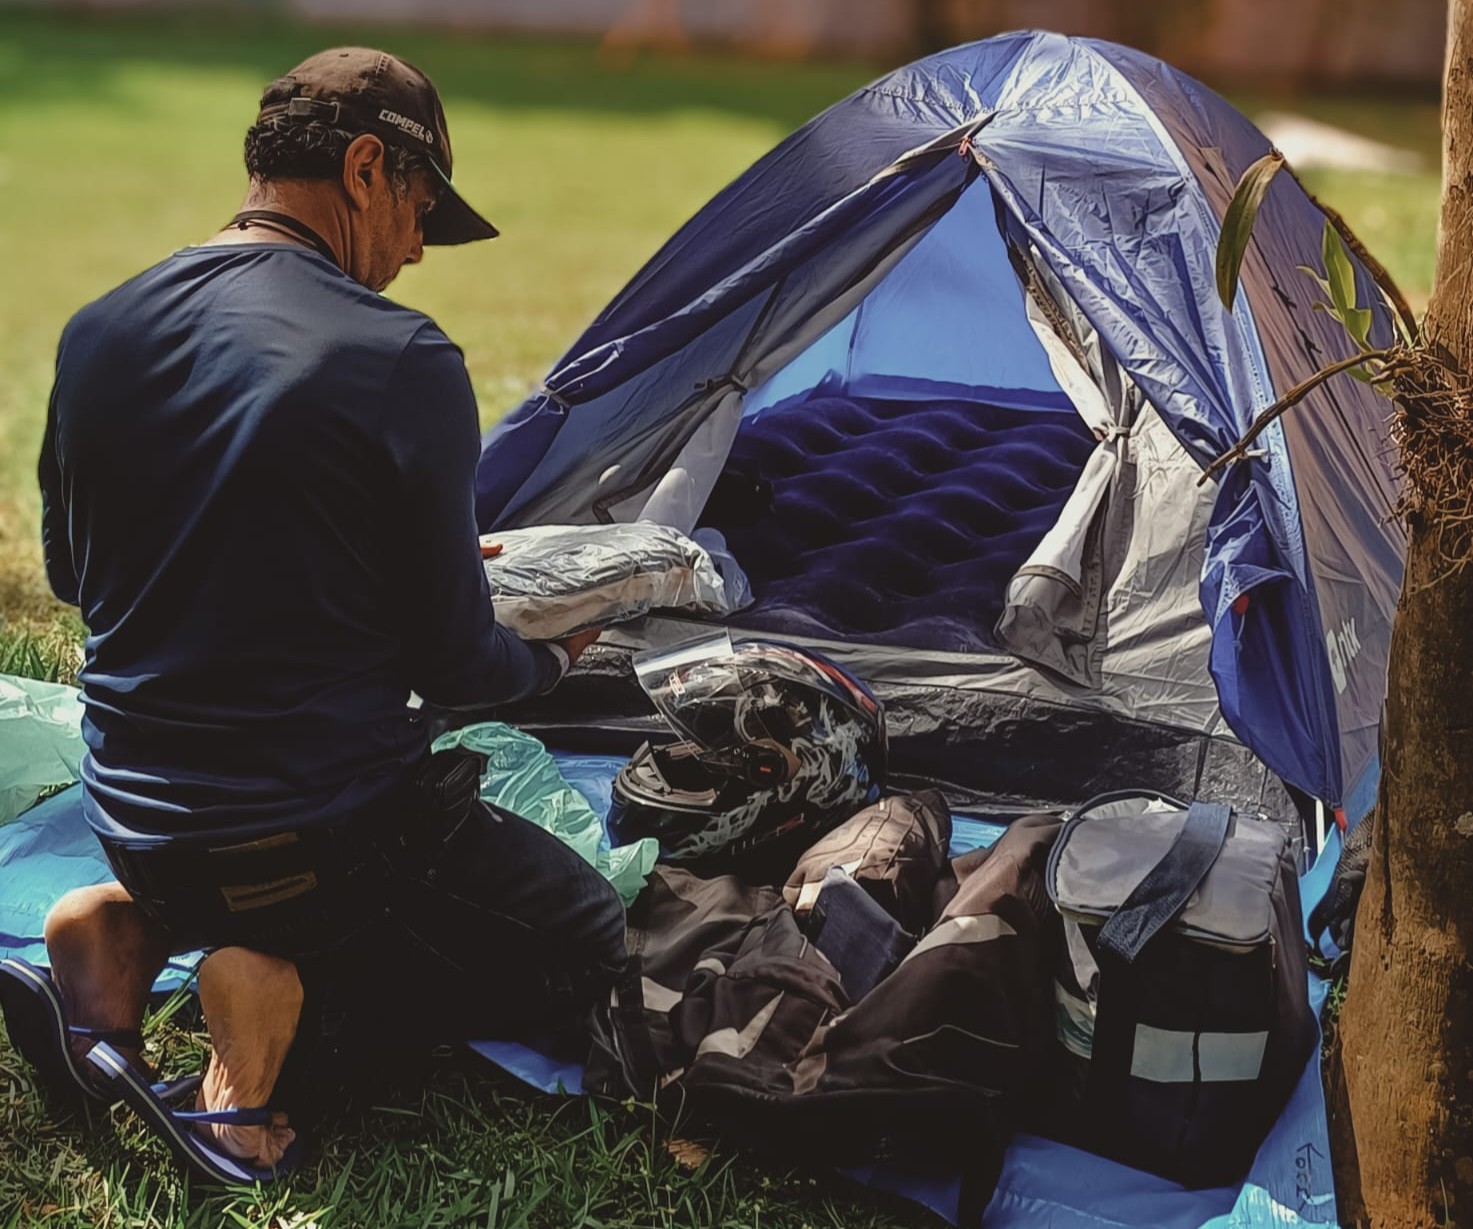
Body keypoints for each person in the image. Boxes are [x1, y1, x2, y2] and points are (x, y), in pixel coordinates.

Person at [3, 47, 627, 1179]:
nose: (417, 248)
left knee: (235, 879)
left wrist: (358, 564)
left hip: (137, 823)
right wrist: (554, 655)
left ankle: (125, 931)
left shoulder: (99, 330)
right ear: (365, 167)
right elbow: (460, 666)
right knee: (579, 939)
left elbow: (76, 576)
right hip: (315, 842)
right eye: (422, 208)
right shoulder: (402, 359)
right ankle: (261, 1029)